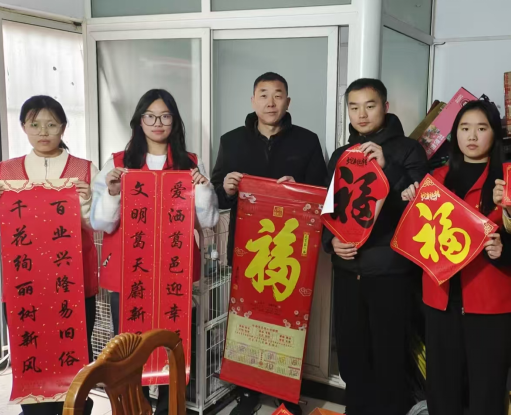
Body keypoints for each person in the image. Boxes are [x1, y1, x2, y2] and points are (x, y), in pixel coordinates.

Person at [90, 88, 219, 415]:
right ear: (139, 121)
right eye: (150, 116)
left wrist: (203, 190)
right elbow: (100, 223)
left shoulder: (190, 163)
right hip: (128, 273)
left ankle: (168, 409)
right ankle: (137, 408)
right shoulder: (116, 164)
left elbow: (208, 220)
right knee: (129, 347)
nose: (157, 123)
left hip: (173, 270)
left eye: (165, 116)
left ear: (174, 121)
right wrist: (113, 193)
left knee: (173, 342)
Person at [211, 72, 328, 415]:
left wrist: (297, 189)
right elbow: (216, 192)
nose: (271, 102)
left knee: (288, 321)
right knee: (246, 317)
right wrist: (227, 187)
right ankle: (247, 389)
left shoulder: (307, 141)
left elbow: (322, 193)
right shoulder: (232, 141)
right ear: (253, 101)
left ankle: (286, 392)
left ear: (288, 102)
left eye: (278, 95)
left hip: (291, 252)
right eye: (263, 94)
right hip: (248, 250)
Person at [0, 95, 98, 415]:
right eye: (34, 124)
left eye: (51, 124)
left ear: (63, 127)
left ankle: (76, 408)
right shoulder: (6, 170)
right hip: (25, 283)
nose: (43, 132)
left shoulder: (84, 169)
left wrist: (88, 199)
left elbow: (99, 224)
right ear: (23, 127)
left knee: (76, 358)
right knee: (29, 352)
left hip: (73, 282)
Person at [322, 79, 428, 415]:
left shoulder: (409, 150)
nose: (362, 114)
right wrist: (331, 242)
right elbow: (327, 208)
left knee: (390, 356)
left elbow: (423, 209)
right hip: (347, 269)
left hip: (389, 271)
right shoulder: (341, 155)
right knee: (351, 356)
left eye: (370, 106)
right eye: (354, 107)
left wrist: (388, 167)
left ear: (385, 106)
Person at [403, 99, 511, 415]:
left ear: (494, 134)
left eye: (481, 128)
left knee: (487, 389)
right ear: (455, 133)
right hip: (441, 299)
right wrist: (410, 203)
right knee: (442, 387)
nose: (472, 136)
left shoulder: (506, 180)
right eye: (464, 128)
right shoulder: (435, 180)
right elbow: (416, 237)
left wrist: (503, 250)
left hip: (489, 303)